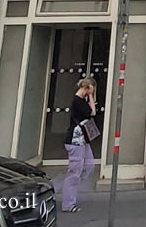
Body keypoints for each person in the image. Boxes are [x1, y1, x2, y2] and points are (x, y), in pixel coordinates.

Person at [62, 76, 98, 214]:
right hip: (75, 141)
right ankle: (68, 204)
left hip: (82, 140)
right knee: (74, 173)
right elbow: (92, 112)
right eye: (92, 90)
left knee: (89, 165)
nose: (92, 93)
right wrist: (90, 97)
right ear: (87, 87)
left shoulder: (80, 100)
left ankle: (72, 191)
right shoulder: (77, 101)